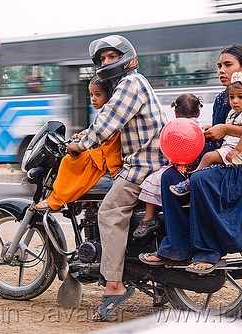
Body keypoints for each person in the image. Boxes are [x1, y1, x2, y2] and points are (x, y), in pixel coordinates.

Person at [140, 44, 242, 274]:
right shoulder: (225, 97)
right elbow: (222, 133)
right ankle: (176, 248)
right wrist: (209, 131)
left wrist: (223, 129)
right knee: (168, 177)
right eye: (219, 66)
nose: (221, 70)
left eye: (227, 65)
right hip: (223, 157)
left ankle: (208, 251)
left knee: (201, 179)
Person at [66, 35, 168, 321]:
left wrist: (80, 144)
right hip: (151, 162)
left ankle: (113, 285)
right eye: (103, 59)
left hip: (143, 166)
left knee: (109, 211)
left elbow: (107, 120)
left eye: (112, 56)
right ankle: (155, 282)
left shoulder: (130, 83)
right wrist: (84, 135)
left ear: (126, 56)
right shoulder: (131, 84)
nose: (107, 62)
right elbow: (108, 120)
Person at [34, 76, 122, 211]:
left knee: (68, 161)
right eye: (91, 95)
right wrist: (85, 134)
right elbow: (98, 130)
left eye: (98, 95)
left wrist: (81, 143)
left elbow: (100, 132)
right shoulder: (107, 113)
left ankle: (55, 200)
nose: (93, 99)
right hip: (106, 153)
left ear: (110, 95)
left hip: (107, 157)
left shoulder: (109, 112)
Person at [169, 72, 242, 196]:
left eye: (240, 97)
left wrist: (237, 150)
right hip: (229, 148)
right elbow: (229, 131)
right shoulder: (233, 113)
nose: (235, 101)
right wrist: (211, 128)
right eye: (231, 97)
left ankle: (189, 182)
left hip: (241, 152)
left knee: (208, 157)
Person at [133, 93, 202, 238]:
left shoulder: (174, 128)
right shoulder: (200, 129)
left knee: (151, 181)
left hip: (178, 168)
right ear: (199, 112)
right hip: (196, 168)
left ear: (175, 113)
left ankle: (148, 218)